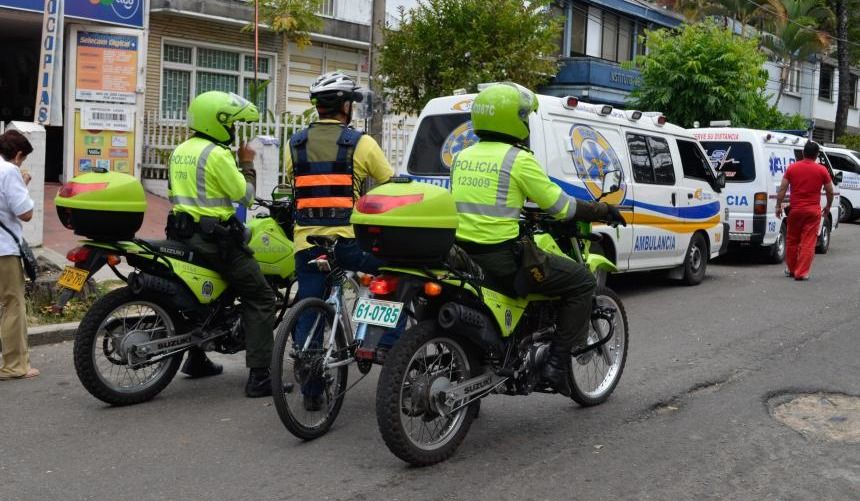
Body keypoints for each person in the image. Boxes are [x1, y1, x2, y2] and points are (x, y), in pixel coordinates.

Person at [450, 82, 625, 396]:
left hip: (463, 256)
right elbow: (562, 207)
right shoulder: (518, 159)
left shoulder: (462, 156)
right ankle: (557, 367)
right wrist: (602, 209)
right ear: (514, 119)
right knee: (583, 282)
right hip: (501, 261)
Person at [286, 71, 393, 411]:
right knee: (395, 273)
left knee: (309, 303)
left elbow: (295, 186)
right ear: (346, 106)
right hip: (349, 241)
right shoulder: (361, 143)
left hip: (308, 241)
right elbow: (390, 184)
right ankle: (380, 342)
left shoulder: (295, 144)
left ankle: (312, 388)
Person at [166, 91, 277, 398]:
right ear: (219, 122)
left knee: (211, 298)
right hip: (215, 241)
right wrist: (247, 164)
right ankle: (259, 377)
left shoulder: (181, 150)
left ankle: (197, 357)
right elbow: (244, 195)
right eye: (232, 125)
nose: (233, 132)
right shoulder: (217, 154)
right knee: (261, 297)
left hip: (181, 234)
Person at [0, 130, 38, 380]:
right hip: (4, 250)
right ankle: (14, 365)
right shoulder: (10, 171)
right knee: (12, 305)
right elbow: (24, 213)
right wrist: (23, 185)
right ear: (18, 154)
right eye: (23, 158)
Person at [776, 141, 834, 281]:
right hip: (813, 212)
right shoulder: (822, 170)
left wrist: (778, 205)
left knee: (792, 240)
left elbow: (782, 188)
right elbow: (830, 191)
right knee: (808, 242)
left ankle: (791, 269)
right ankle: (801, 272)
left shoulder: (792, 168)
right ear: (816, 155)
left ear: (803, 153)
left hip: (795, 210)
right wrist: (828, 206)